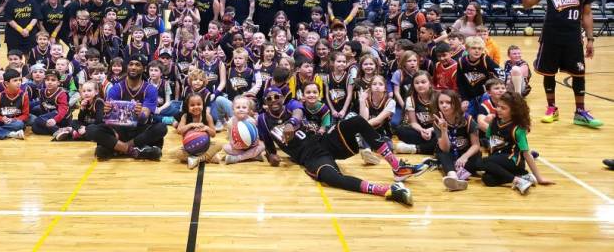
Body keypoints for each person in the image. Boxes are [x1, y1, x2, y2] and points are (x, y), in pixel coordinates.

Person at [257, 86, 426, 206]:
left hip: (323, 140)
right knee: (332, 178)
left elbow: (298, 112)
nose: (274, 101)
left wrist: (292, 123)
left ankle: (397, 167)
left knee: (357, 121)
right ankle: (387, 191)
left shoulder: (291, 105)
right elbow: (269, 148)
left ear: (282, 98)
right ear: (265, 102)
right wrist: (272, 157)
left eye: (276, 97)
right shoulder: (263, 119)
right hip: (310, 157)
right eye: (269, 98)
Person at [521, 0, 601, 128]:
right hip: (550, 37)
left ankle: (580, 112)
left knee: (579, 74)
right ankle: (551, 108)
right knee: (549, 74)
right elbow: (527, 4)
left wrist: (590, 40)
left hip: (573, 39)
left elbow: (586, 14)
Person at [86, 54, 167, 161]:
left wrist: (140, 114)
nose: (133, 67)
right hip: (119, 130)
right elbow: (108, 118)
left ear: (144, 69)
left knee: (161, 128)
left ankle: (116, 148)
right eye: (131, 64)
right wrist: (107, 112)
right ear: (127, 67)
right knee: (90, 129)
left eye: (137, 65)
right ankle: (132, 150)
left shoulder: (150, 89)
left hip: (139, 130)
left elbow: (145, 118)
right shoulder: (116, 88)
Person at [481, 92, 554, 194]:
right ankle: (523, 177)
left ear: (514, 111)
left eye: (503, 108)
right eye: (498, 106)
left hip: (513, 161)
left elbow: (526, 154)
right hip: (497, 159)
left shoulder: (518, 129)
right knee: (487, 179)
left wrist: (539, 178)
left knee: (484, 162)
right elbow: (488, 141)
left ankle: (517, 180)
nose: (499, 110)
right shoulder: (493, 122)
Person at [433, 90, 481, 191]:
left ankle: (455, 177)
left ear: (455, 103)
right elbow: (445, 149)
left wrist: (465, 157)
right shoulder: (437, 122)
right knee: (442, 154)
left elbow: (476, 145)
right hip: (449, 153)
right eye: (441, 103)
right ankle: (453, 177)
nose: (444, 105)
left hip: (465, 153)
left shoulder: (468, 119)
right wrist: (444, 130)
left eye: (448, 102)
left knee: (477, 157)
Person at [172, 93, 223, 169]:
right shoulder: (185, 116)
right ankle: (207, 157)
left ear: (203, 105)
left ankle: (196, 159)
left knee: (219, 144)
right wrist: (191, 125)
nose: (196, 107)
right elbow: (179, 131)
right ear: (187, 107)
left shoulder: (207, 116)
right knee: (177, 153)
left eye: (199, 104)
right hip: (190, 148)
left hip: (205, 146)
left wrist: (207, 128)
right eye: (192, 105)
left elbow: (213, 134)